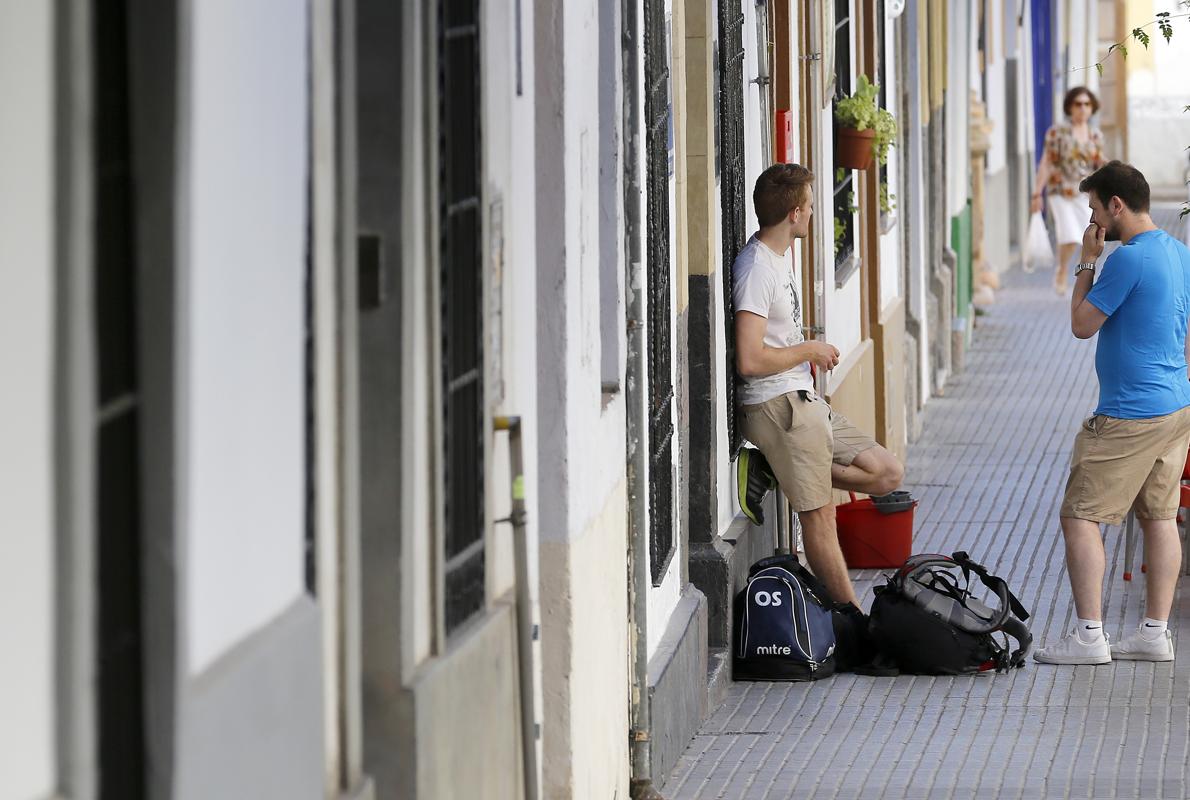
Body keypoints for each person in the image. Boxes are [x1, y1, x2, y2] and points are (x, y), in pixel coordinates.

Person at [1034, 161, 1190, 665]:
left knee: (1079, 516)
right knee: (1161, 517)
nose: (1093, 219)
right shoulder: (1179, 253)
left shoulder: (1127, 260)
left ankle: (1089, 636)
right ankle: (1153, 633)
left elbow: (1082, 325)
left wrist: (1086, 260)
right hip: (1174, 404)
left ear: (1116, 206)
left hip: (1128, 414)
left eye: (1095, 208)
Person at [732, 163, 904, 607]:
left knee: (887, 473)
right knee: (821, 518)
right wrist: (809, 350)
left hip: (802, 400)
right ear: (793, 213)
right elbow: (749, 360)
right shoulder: (756, 270)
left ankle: (779, 465)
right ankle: (853, 622)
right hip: (778, 405)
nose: (812, 213)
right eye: (809, 205)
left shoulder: (778, 257)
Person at [1031, 86, 1107, 294]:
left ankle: (1083, 275)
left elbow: (1100, 164)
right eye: (1078, 104)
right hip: (1061, 191)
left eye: (1086, 104)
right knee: (1070, 235)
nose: (1082, 108)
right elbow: (1046, 162)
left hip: (1085, 194)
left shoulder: (1095, 136)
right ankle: (1062, 270)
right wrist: (1037, 193)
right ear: (1070, 107)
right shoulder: (1057, 132)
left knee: (1087, 235)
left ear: (1092, 108)